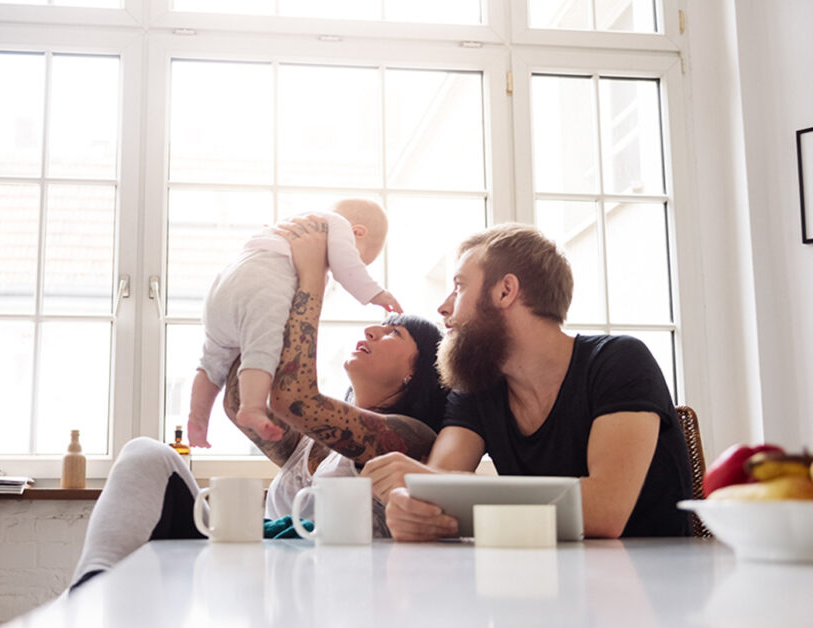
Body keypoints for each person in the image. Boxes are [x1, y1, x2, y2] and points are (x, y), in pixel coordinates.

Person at [69, 217, 447, 590]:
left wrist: (312, 277)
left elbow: (293, 400)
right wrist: (261, 291)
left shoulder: (411, 437)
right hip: (261, 577)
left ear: (416, 372)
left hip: (329, 596)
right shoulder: (311, 444)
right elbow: (239, 406)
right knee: (145, 453)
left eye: (393, 332)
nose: (371, 329)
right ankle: (90, 592)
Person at [361, 223, 692, 539]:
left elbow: (604, 511)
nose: (444, 307)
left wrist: (438, 489)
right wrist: (412, 509)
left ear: (505, 291)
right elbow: (435, 489)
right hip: (543, 576)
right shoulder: (478, 388)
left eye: (459, 286)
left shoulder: (620, 360)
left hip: (654, 581)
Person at [188, 198, 403, 449]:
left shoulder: (295, 224)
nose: (335, 272)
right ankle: (253, 407)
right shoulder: (337, 226)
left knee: (212, 360)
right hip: (260, 286)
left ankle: (198, 417)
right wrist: (376, 294)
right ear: (357, 232)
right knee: (264, 346)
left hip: (222, 290)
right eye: (362, 258)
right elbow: (349, 269)